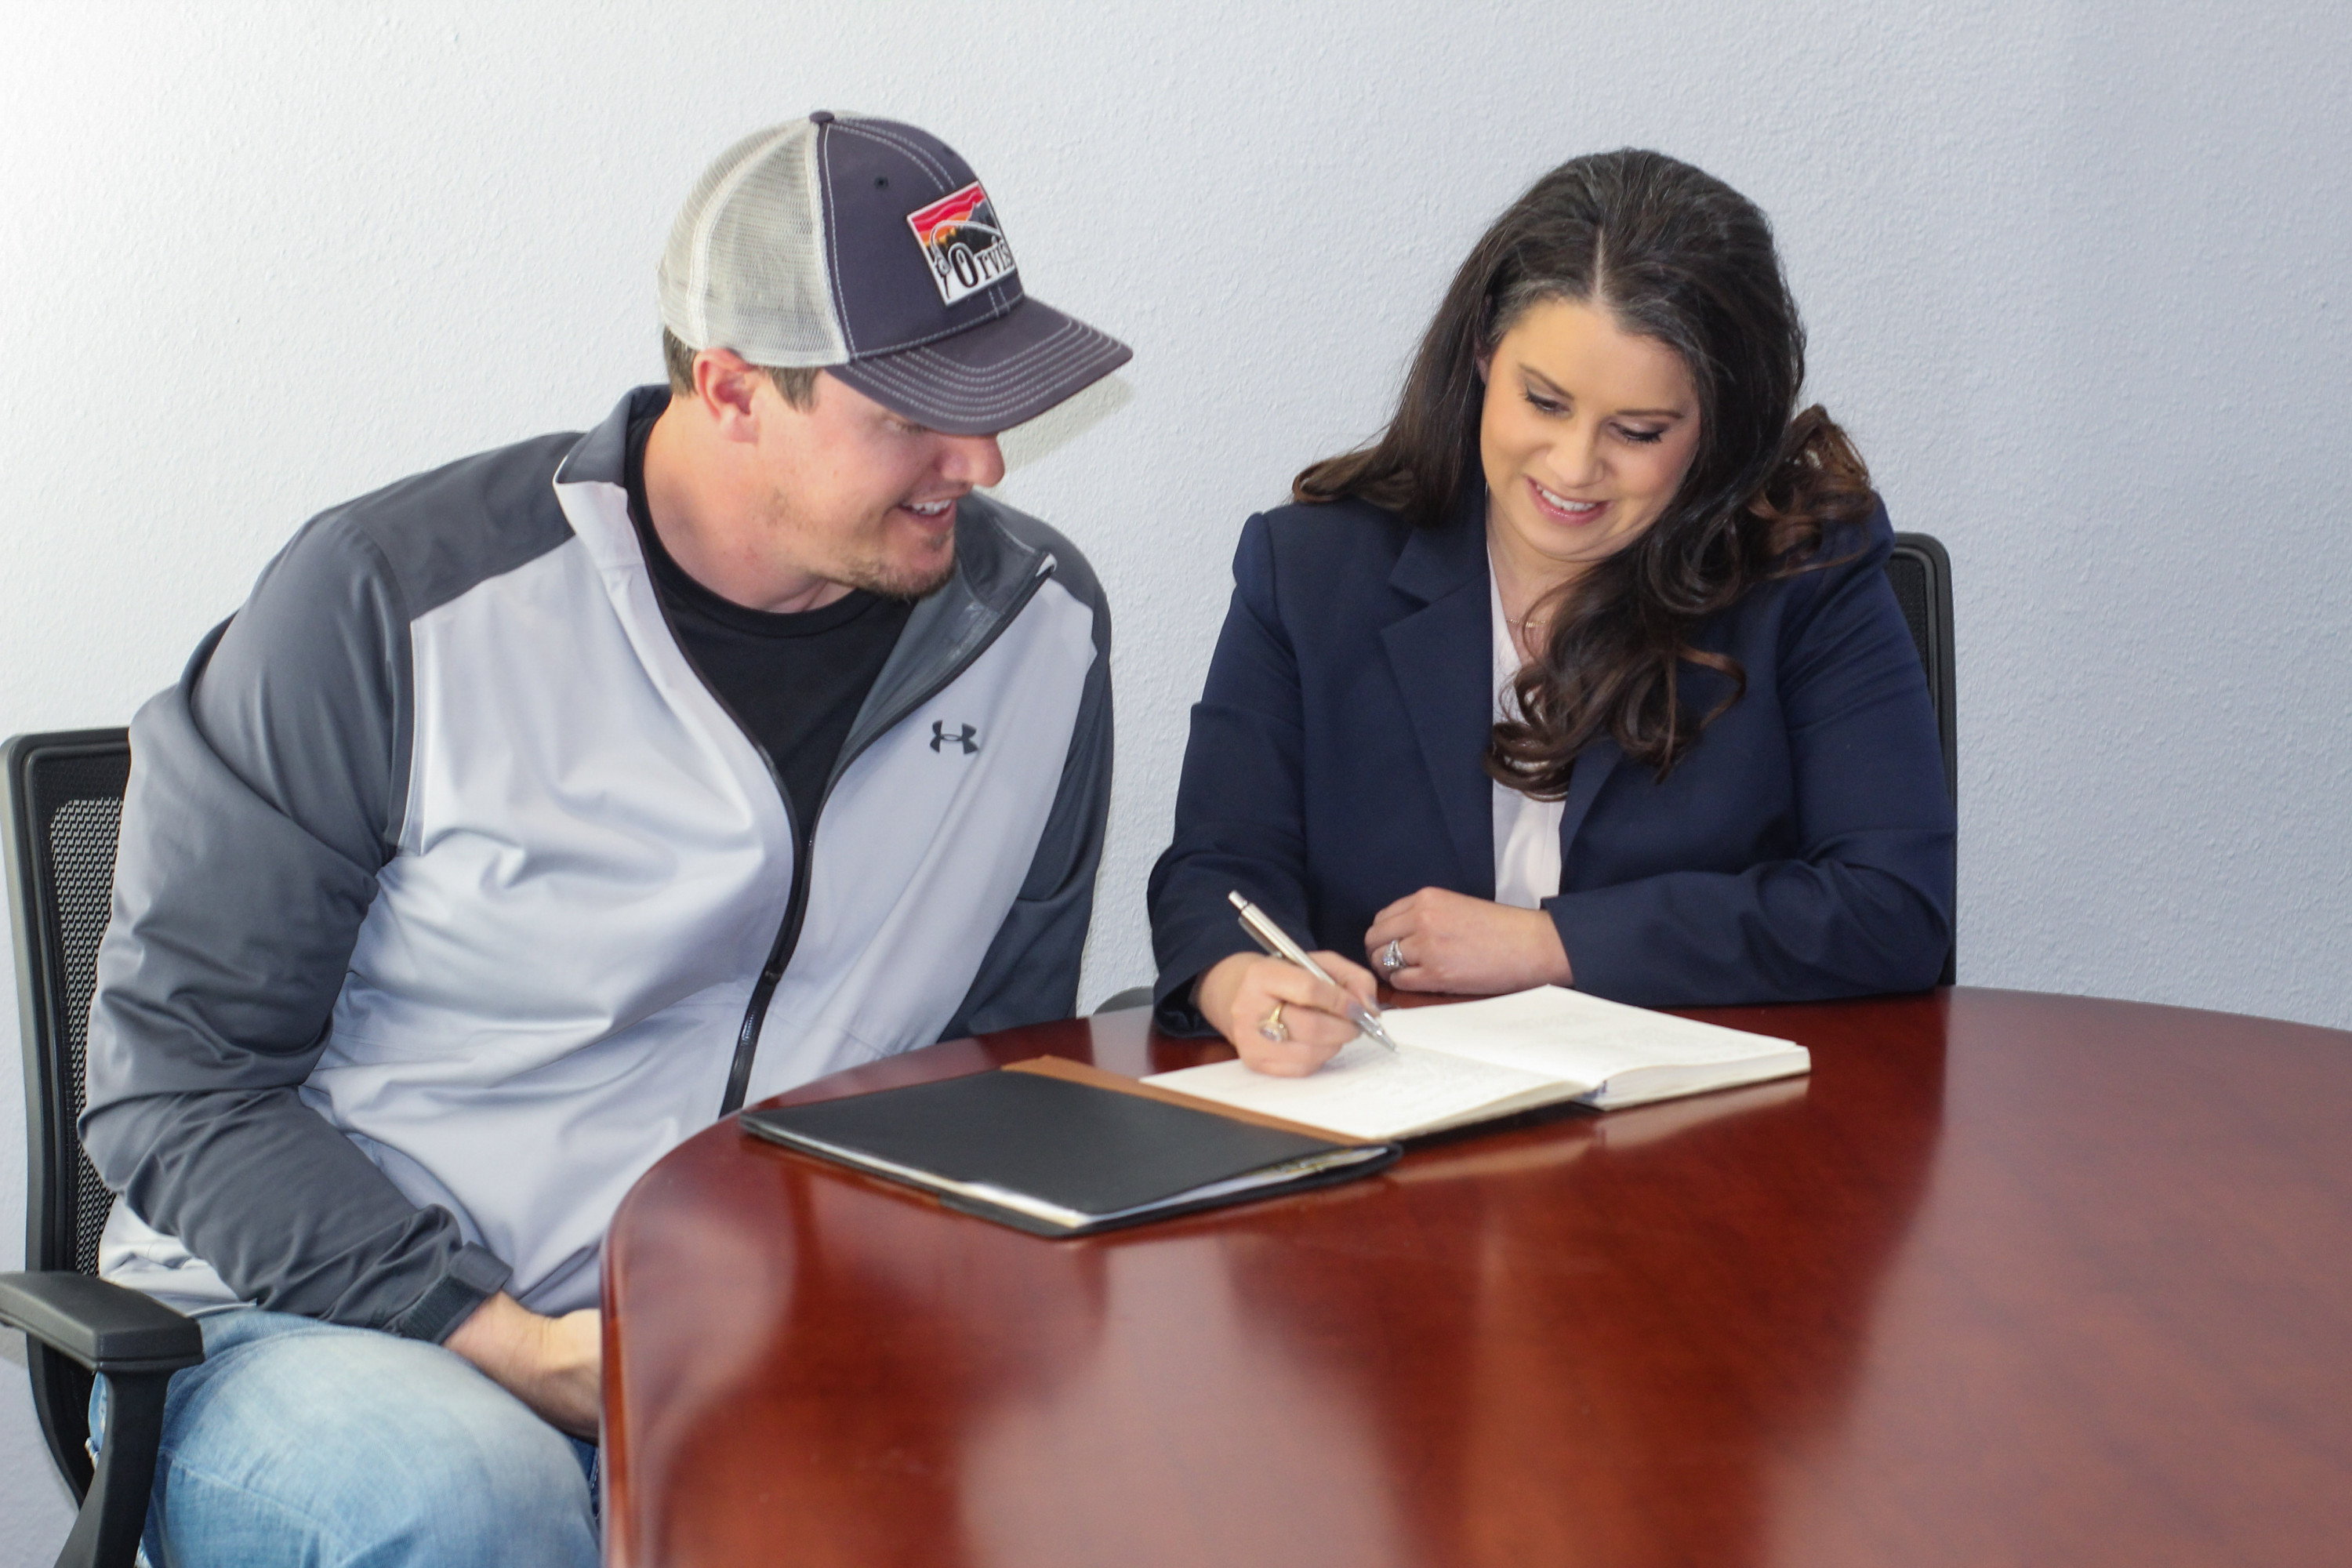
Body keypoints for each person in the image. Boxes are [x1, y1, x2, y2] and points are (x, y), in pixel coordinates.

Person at [78, 112, 1129, 1566]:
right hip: (326, 1333)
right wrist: (501, 1337)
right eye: (914, 414)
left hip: (746, 1344)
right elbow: (177, 1086)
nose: (987, 462)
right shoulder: (387, 603)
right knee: (472, 1505)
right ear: (732, 388)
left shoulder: (1037, 635)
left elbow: (991, 1075)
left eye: (995, 399)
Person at [1148, 148, 1953, 1074]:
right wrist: (1239, 983)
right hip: (1391, 1126)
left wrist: (1551, 944)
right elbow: (1218, 869)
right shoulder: (1311, 572)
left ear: (1718, 425)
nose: (1573, 467)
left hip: (1708, 1133)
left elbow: (1893, 906)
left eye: (1638, 431)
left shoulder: (1806, 574)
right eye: (1543, 401)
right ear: (1483, 353)